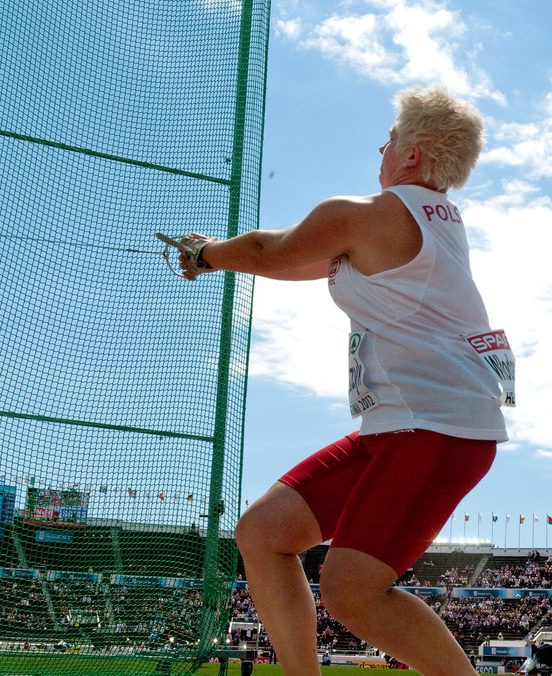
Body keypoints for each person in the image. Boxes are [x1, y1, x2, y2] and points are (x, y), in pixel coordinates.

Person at [163, 87, 512, 676]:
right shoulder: (434, 224)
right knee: (264, 533)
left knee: (351, 592)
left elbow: (271, 253)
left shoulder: (366, 215)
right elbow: (301, 262)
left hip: (434, 430)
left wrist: (205, 252)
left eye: (391, 138)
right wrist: (227, 257)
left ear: (410, 155)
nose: (383, 148)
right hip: (406, 427)